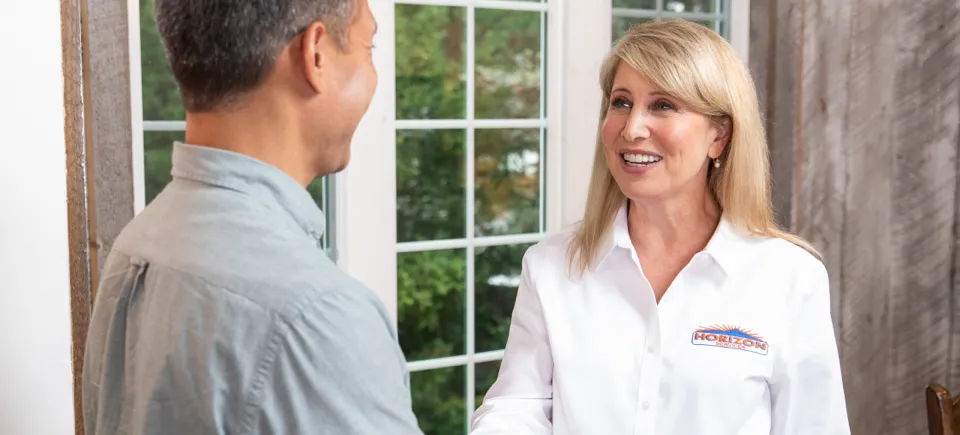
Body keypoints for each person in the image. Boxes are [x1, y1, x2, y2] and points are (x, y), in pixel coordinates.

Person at [469, 20, 850, 435]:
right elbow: (515, 409)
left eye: (663, 105)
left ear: (719, 136)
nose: (631, 129)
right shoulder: (551, 266)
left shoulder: (790, 277)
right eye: (621, 102)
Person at [81, 0, 424, 434]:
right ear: (315, 53)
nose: (375, 76)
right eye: (367, 46)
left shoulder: (137, 248)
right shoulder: (316, 316)